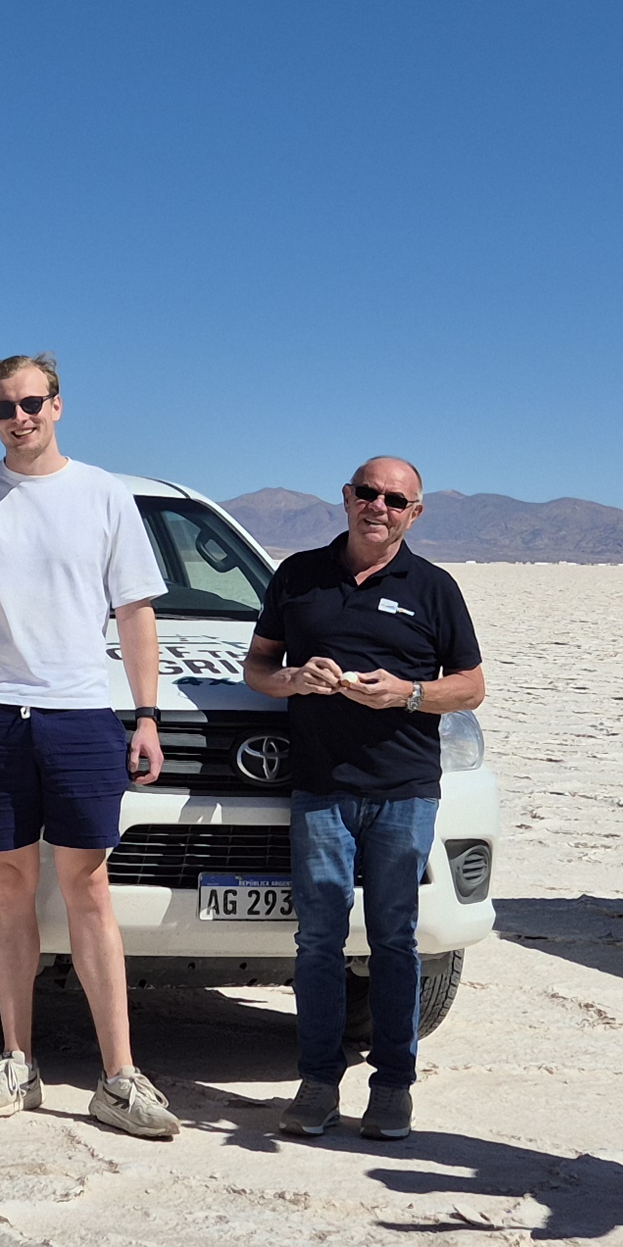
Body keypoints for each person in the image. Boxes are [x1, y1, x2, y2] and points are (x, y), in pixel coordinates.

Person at [0, 355, 178, 1139]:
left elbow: (135, 612)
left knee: (89, 887)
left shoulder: (103, 493)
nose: (18, 418)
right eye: (3, 408)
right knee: (10, 884)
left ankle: (118, 1076)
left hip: (80, 713)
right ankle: (17, 1061)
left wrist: (146, 715)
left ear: (57, 405)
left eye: (30, 403)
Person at [247, 458, 486, 1141]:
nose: (378, 506)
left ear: (414, 513)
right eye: (368, 494)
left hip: (403, 792)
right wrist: (294, 678)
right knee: (318, 940)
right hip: (320, 789)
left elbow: (470, 686)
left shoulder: (434, 588)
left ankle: (392, 1087)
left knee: (394, 941)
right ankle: (318, 1082)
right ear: (347, 498)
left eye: (394, 500)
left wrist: (407, 694)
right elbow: (258, 667)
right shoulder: (298, 576)